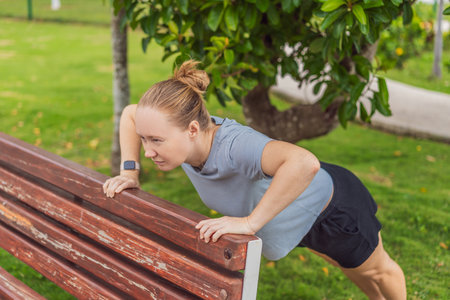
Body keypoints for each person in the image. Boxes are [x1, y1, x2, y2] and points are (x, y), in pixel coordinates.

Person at [102, 60, 406, 299]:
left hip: (334, 212)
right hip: (298, 218)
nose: (149, 150)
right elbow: (131, 114)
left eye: (156, 140)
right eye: (145, 140)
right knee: (349, 265)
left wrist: (249, 223)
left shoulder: (233, 146)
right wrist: (130, 171)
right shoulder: (183, 140)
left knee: (378, 272)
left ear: (192, 130)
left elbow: (304, 163)